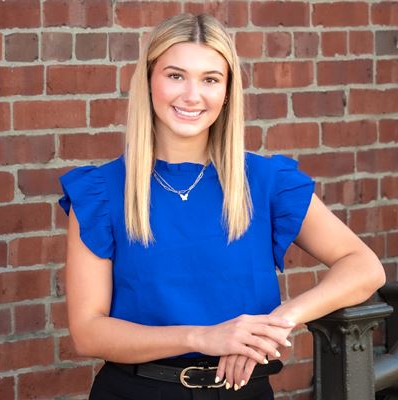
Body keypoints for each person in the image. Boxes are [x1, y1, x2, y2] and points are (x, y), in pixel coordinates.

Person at [58, 13, 386, 400]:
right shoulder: (102, 191)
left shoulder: (265, 182)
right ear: (148, 81)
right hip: (136, 392)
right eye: (175, 75)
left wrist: (276, 322)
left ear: (228, 91)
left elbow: (364, 267)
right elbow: (88, 332)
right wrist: (204, 337)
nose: (192, 95)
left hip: (244, 391)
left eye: (210, 79)